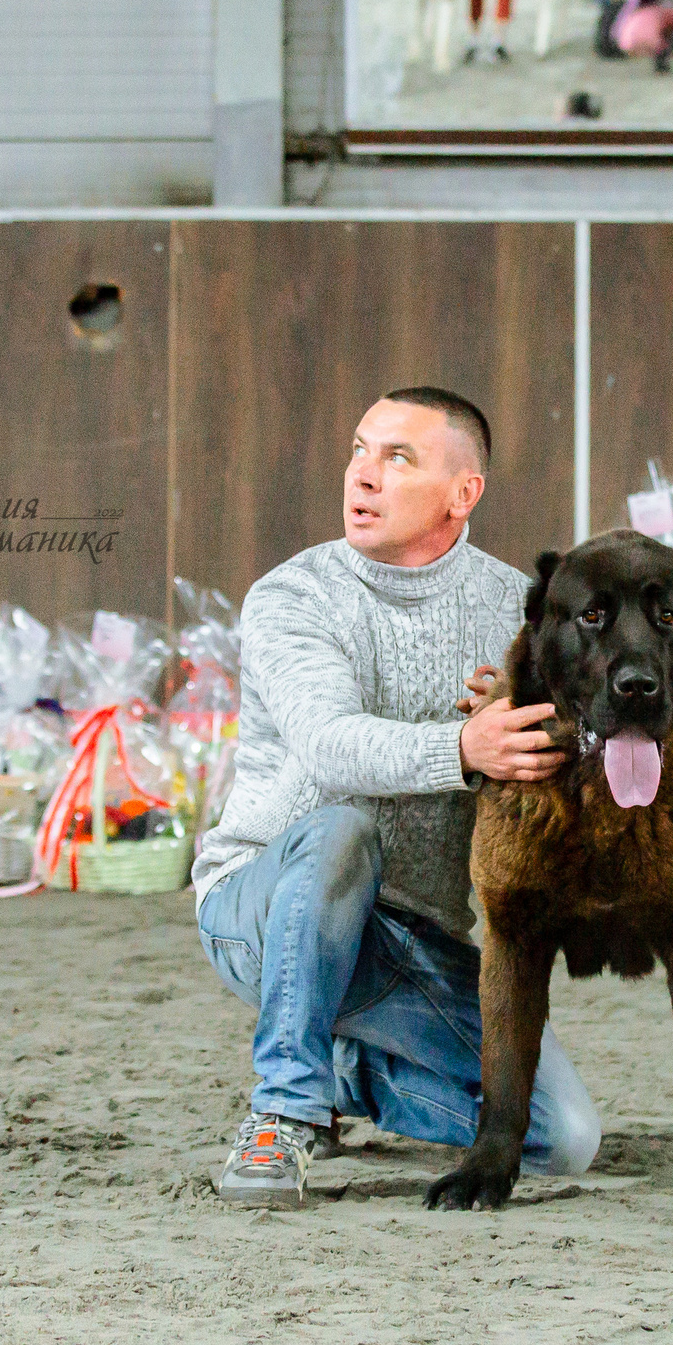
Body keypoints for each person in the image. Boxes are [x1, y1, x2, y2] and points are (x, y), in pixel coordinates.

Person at [198, 389, 600, 1209]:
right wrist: (463, 747)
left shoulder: (521, 611)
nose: (363, 474)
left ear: (464, 494)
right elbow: (329, 745)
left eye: (398, 457)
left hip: (411, 937)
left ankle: (344, 1070)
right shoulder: (293, 595)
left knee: (561, 1137)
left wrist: (550, 727)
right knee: (341, 830)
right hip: (263, 912)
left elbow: (576, 755)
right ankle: (284, 1110)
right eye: (358, 449)